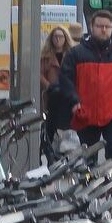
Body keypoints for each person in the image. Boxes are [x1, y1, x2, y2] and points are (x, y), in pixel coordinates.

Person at [57, 10, 112, 160]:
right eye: (100, 26)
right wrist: (74, 101)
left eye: (107, 27)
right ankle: (89, 183)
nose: (103, 30)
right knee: (87, 159)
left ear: (111, 29)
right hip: (85, 113)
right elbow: (65, 79)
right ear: (91, 27)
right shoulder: (76, 54)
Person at [39, 26, 73, 159]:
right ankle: (48, 153)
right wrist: (48, 86)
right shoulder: (46, 56)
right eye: (55, 36)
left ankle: (62, 153)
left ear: (65, 38)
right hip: (51, 97)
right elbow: (40, 74)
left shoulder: (71, 54)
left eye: (61, 36)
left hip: (65, 98)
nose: (58, 39)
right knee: (49, 127)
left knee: (65, 126)